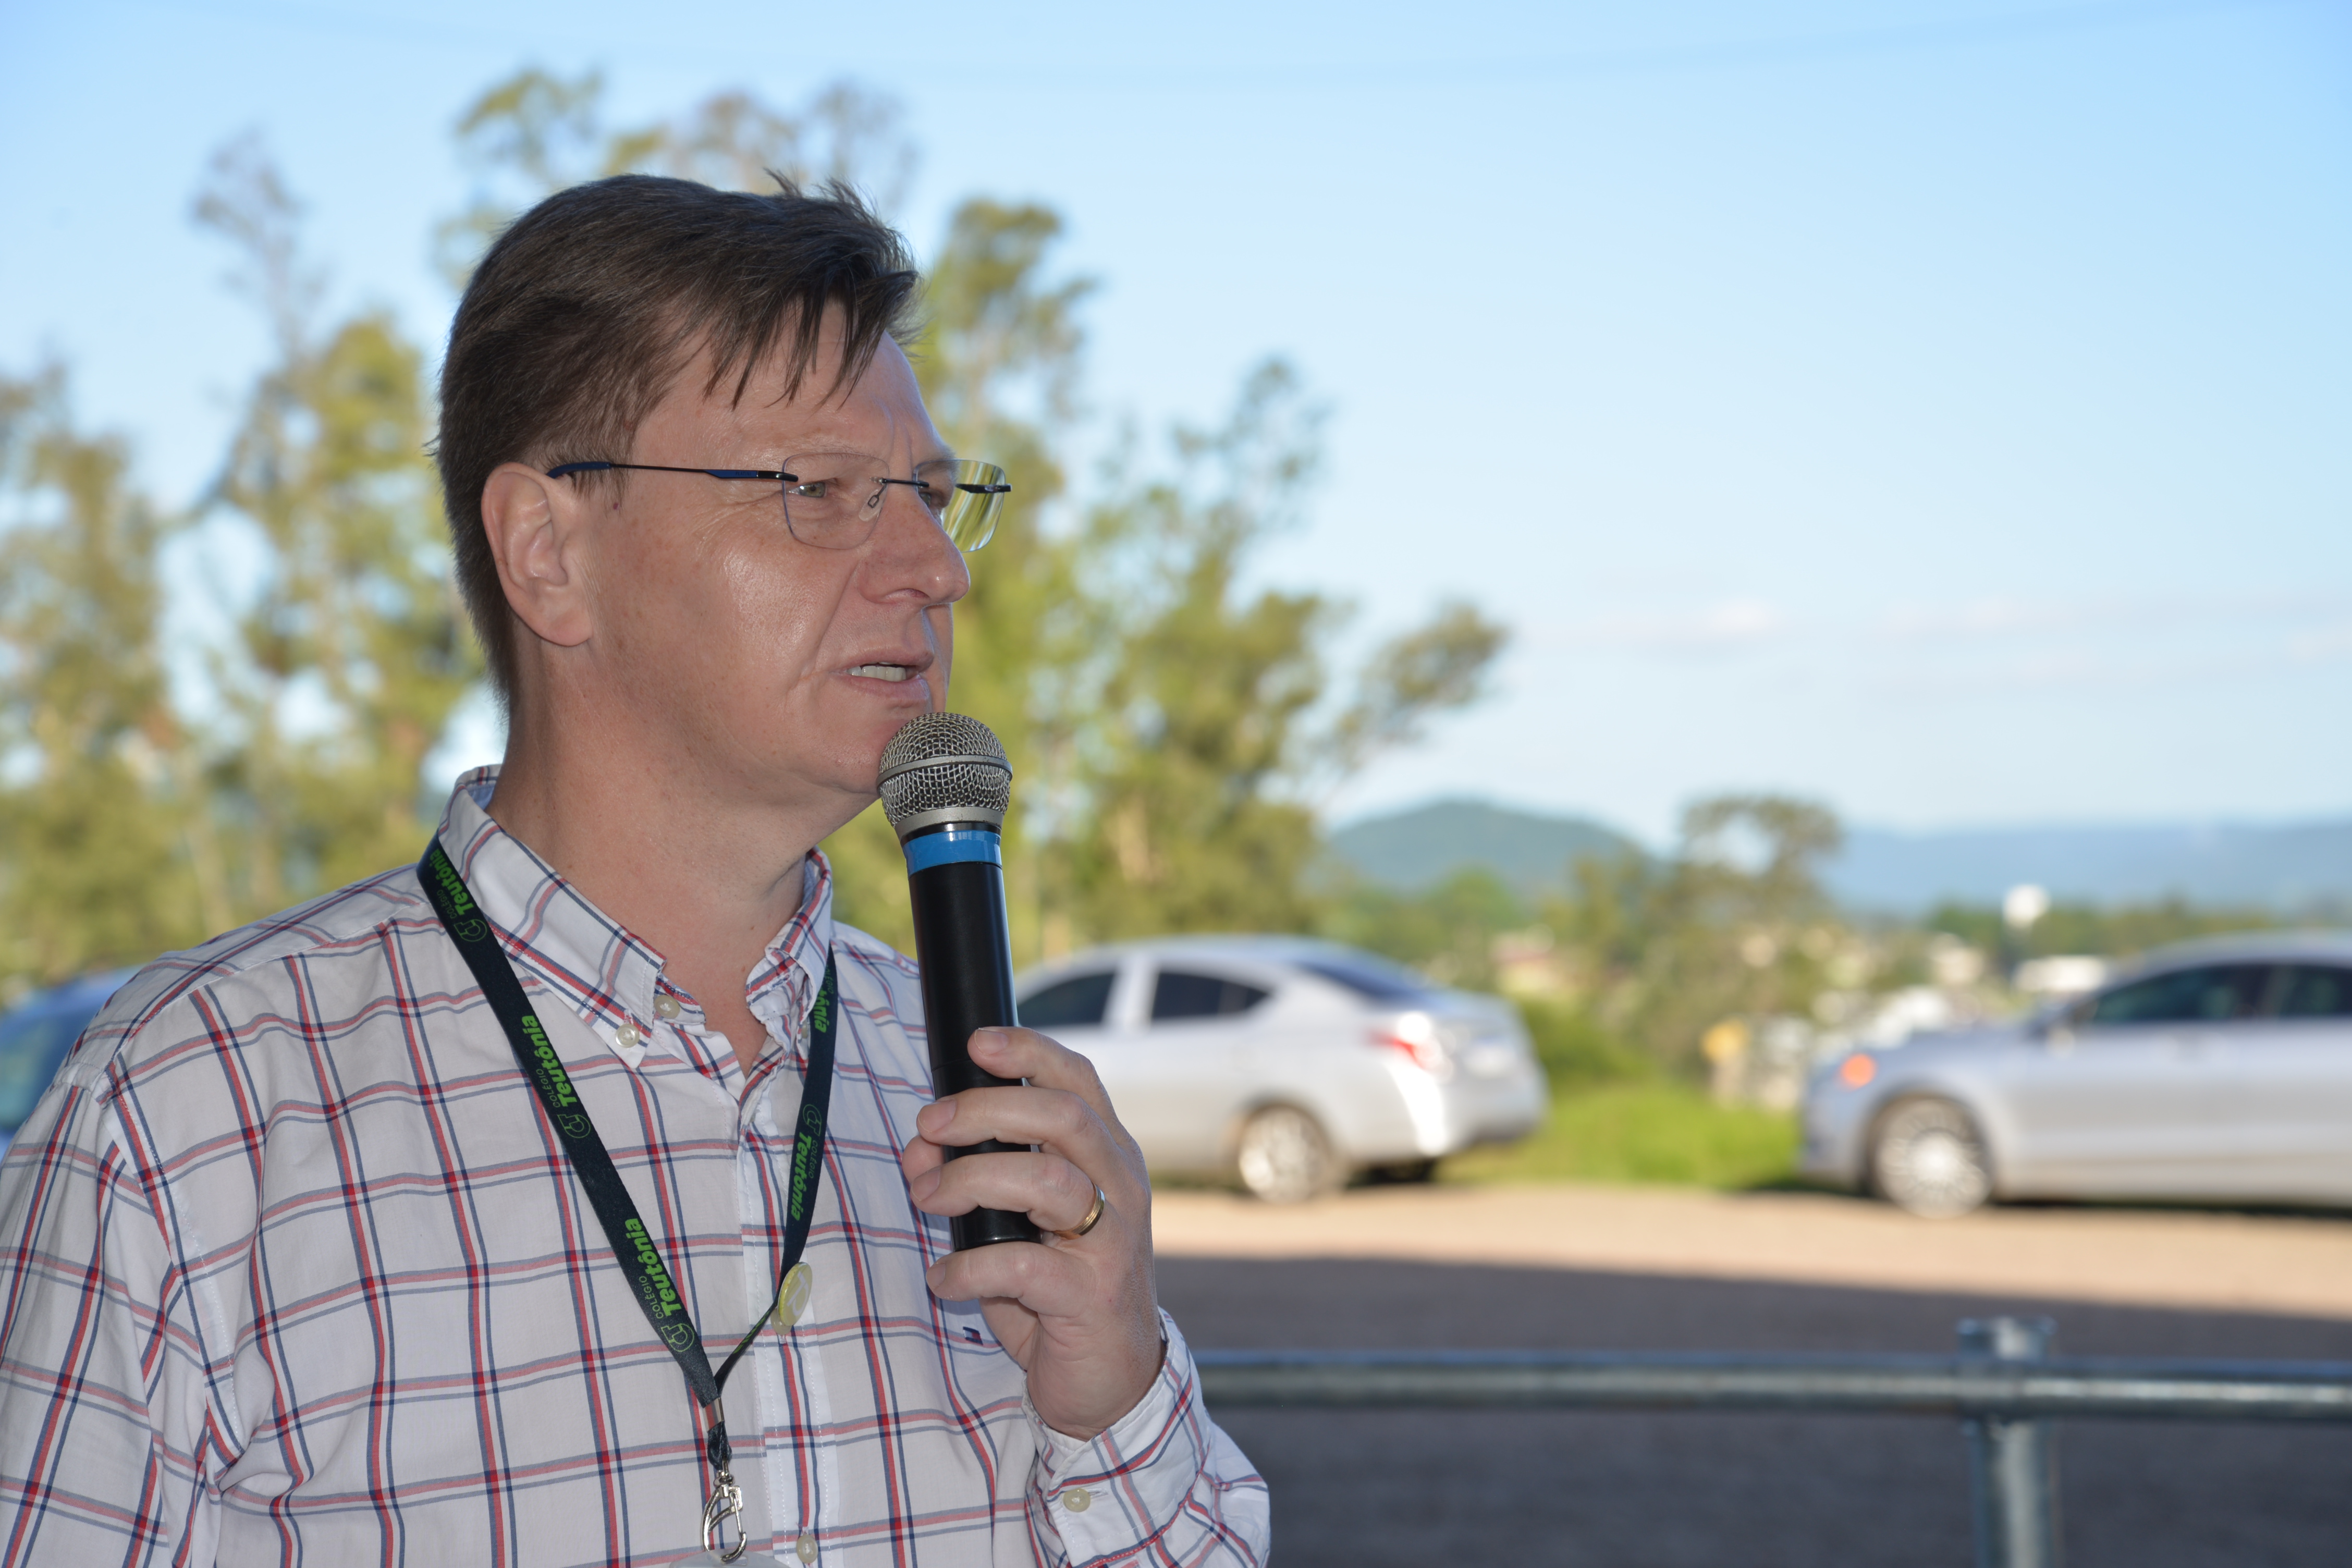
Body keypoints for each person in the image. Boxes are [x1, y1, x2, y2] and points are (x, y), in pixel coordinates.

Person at [0, 175, 1268, 1566]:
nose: (932, 567)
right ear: (548, 555)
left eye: (928, 493)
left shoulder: (982, 1096)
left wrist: (1114, 1404)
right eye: (820, 491)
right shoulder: (195, 1114)